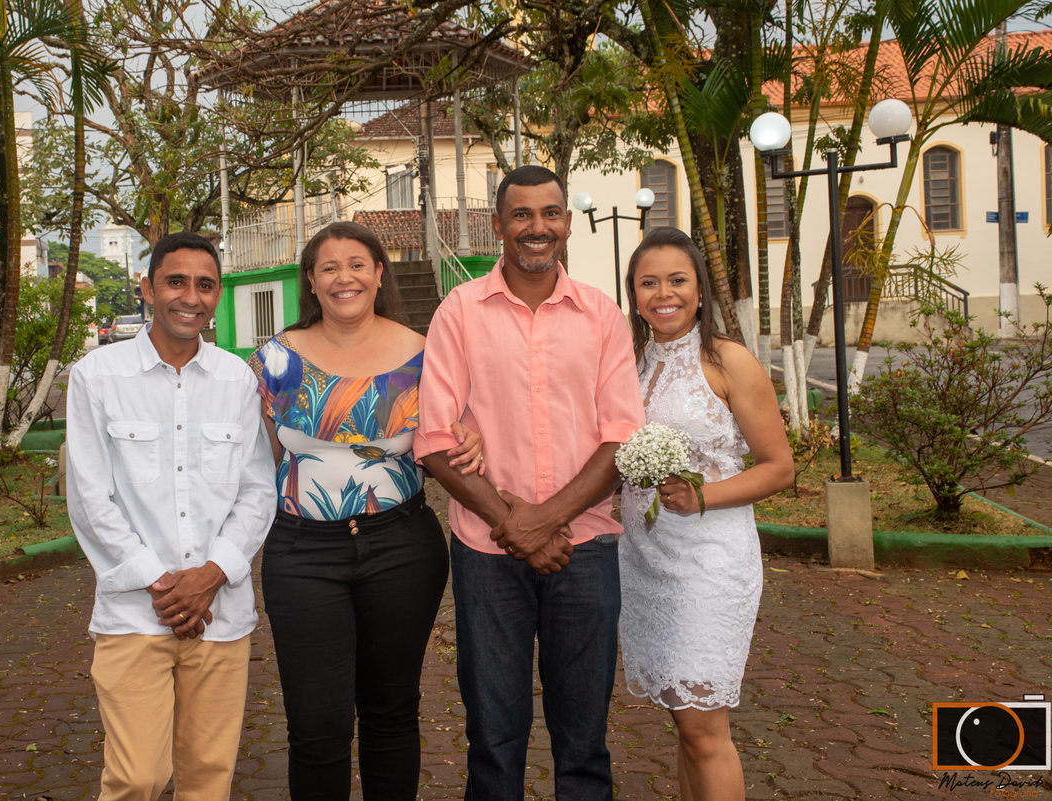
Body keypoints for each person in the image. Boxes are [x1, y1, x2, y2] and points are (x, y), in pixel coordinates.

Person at [415, 164, 645, 799]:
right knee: (493, 737)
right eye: (521, 215)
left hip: (587, 549)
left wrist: (541, 521)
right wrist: (511, 524)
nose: (536, 227)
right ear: (498, 225)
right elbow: (434, 439)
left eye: (549, 213)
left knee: (584, 742)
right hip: (488, 556)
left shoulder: (602, 316)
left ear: (567, 223)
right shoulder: (458, 312)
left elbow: (621, 436)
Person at [248, 221, 484, 801]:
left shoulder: (426, 356)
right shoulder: (275, 361)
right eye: (328, 267)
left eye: (357, 264)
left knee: (391, 711)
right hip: (302, 553)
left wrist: (472, 432)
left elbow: (450, 439)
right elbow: (270, 459)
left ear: (381, 273)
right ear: (311, 281)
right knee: (316, 724)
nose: (343, 277)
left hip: (400, 548)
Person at [66, 231, 277, 801]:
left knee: (208, 778)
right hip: (136, 613)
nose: (191, 296)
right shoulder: (97, 375)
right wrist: (164, 585)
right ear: (147, 289)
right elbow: (89, 497)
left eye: (205, 285)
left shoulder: (237, 378)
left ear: (217, 296)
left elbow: (258, 490)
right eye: (175, 281)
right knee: (136, 778)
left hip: (221, 612)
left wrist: (210, 577)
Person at [618, 227, 794, 801]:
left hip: (710, 558)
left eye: (676, 280)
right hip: (644, 558)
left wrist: (702, 497)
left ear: (698, 291)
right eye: (648, 282)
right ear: (634, 292)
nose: (662, 293)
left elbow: (778, 467)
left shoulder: (728, 360)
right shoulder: (633, 361)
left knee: (704, 729)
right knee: (684, 721)